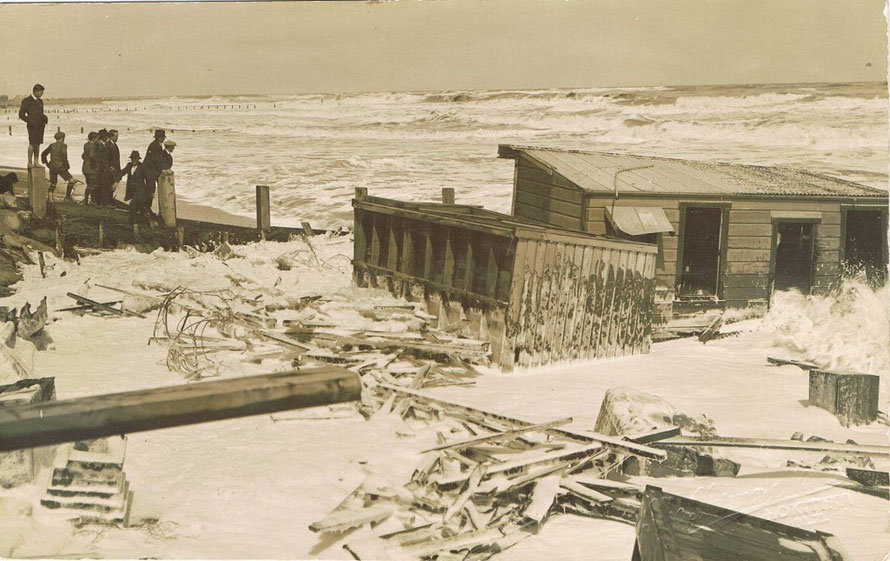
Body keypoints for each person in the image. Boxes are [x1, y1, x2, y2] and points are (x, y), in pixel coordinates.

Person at [40, 131, 78, 201]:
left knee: (53, 183)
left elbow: (43, 154)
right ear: (62, 138)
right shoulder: (64, 145)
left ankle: (50, 197)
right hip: (60, 166)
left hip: (52, 166)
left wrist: (46, 163)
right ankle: (67, 197)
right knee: (72, 180)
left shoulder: (52, 145)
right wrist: (67, 165)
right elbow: (64, 156)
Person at [18, 84, 48, 168]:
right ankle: (29, 162)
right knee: (32, 143)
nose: (42, 94)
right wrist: (29, 120)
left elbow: (40, 113)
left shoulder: (40, 101)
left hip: (40, 125)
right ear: (36, 91)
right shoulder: (26, 100)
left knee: (38, 144)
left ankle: (36, 162)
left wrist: (45, 118)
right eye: (41, 92)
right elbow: (21, 114)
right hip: (32, 125)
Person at [120, 150, 150, 225]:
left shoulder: (142, 166)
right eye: (132, 158)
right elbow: (122, 172)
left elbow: (148, 179)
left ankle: (131, 223)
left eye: (135, 158)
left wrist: (150, 191)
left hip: (140, 190)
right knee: (140, 208)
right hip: (132, 191)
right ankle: (145, 223)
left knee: (131, 206)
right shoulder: (129, 165)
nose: (133, 160)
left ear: (138, 159)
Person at [93, 129, 112, 206]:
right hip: (102, 169)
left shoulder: (100, 145)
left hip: (102, 168)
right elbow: (101, 159)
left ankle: (101, 202)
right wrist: (106, 168)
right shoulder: (100, 146)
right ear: (104, 137)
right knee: (104, 186)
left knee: (102, 186)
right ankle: (103, 202)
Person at [81, 132, 98, 205]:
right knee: (93, 185)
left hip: (85, 167)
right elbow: (92, 156)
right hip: (91, 169)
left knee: (89, 184)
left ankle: (86, 200)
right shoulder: (92, 146)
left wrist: (86, 161)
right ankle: (91, 201)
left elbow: (83, 155)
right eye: (97, 138)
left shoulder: (86, 144)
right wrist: (95, 165)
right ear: (93, 138)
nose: (98, 140)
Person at [107, 129, 122, 198]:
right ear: (111, 136)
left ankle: (109, 199)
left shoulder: (114, 145)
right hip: (112, 169)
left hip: (115, 168)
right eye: (116, 136)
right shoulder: (108, 145)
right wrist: (110, 167)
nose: (117, 138)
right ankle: (108, 200)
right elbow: (106, 158)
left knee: (113, 185)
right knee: (111, 184)